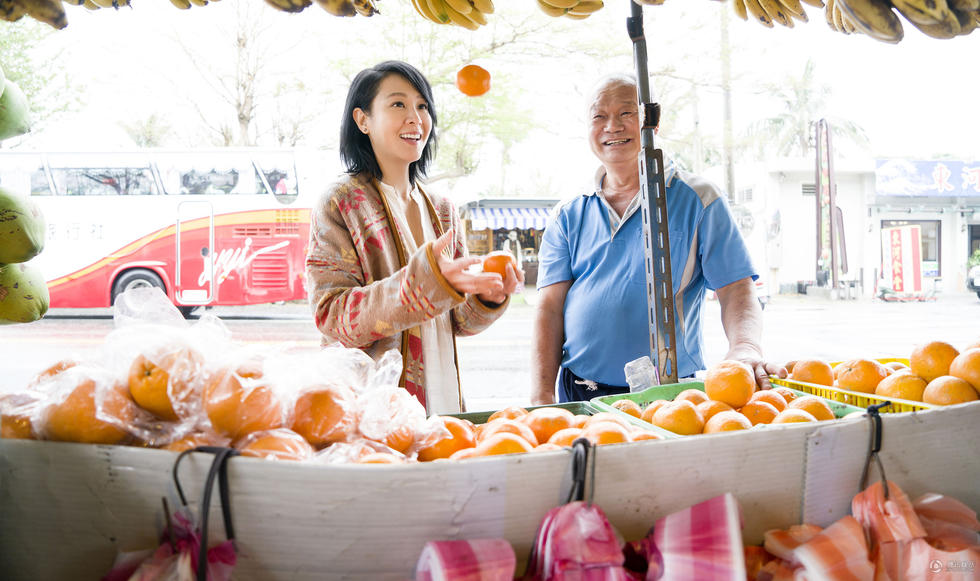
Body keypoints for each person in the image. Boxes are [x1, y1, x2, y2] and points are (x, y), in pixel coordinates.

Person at [530, 75, 785, 404]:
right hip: (578, 391)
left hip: (668, 395)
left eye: (626, 113)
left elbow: (736, 287)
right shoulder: (569, 212)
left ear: (652, 121)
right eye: (599, 116)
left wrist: (745, 347)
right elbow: (549, 309)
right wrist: (540, 394)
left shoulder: (698, 198)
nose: (612, 126)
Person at [306, 61, 522, 414]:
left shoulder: (444, 210)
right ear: (363, 120)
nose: (416, 118)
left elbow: (457, 322)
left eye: (423, 106)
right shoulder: (341, 202)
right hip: (374, 414)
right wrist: (425, 284)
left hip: (446, 404)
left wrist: (487, 298)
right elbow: (333, 317)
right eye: (398, 104)